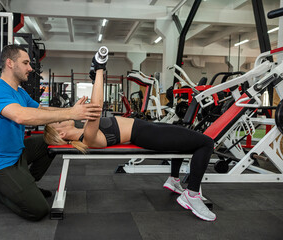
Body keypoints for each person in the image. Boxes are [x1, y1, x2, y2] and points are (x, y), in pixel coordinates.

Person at [43, 51, 216, 221]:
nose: (62, 117)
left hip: (146, 128)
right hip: (147, 134)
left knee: (181, 133)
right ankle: (192, 195)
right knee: (206, 143)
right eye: (58, 121)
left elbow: (81, 110)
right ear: (62, 133)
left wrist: (74, 109)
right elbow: (97, 106)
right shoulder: (88, 137)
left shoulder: (84, 129)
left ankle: (173, 180)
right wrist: (99, 70)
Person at [0, 44, 102, 221]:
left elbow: (41, 110)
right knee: (38, 210)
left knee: (48, 141)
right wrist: (71, 114)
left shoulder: (19, 91)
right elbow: (20, 116)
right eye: (25, 63)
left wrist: (71, 110)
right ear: (10, 63)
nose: (31, 68)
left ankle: (25, 185)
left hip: (17, 153)